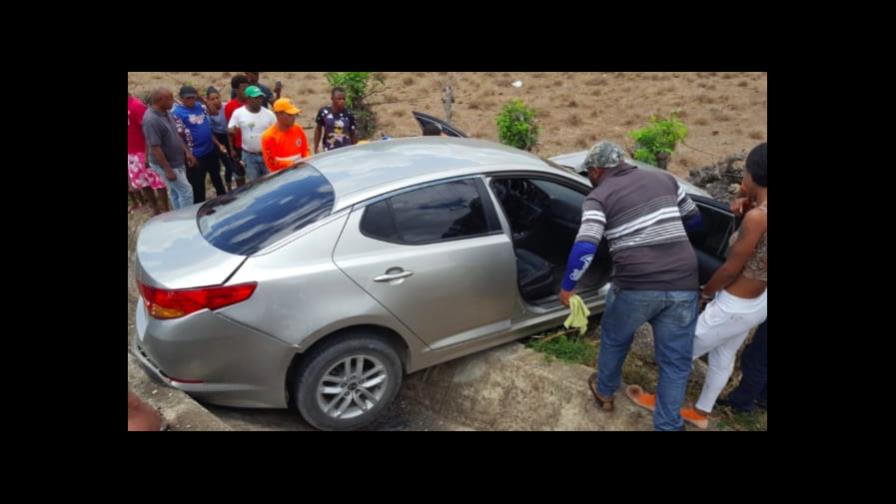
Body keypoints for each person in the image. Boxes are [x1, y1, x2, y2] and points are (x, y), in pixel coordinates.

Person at [559, 140, 703, 431]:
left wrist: (567, 286)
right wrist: (664, 235)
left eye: (589, 174)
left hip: (636, 285)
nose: (590, 179)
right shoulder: (664, 178)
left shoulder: (599, 197)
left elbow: (586, 246)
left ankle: (605, 391)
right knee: (675, 363)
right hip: (683, 282)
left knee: (615, 337)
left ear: (597, 170)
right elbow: (695, 219)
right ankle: (667, 425)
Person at [687, 142, 767, 419]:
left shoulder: (758, 217)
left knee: (679, 352)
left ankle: (663, 404)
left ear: (753, 175)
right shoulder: (758, 212)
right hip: (759, 302)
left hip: (735, 304)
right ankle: (701, 412)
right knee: (723, 355)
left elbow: (731, 268)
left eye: (745, 171)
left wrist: (705, 292)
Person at [142, 87, 196, 210]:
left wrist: (187, 152)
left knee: (175, 191)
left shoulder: (166, 112)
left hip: (176, 160)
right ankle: (187, 219)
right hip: (167, 164)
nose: (174, 102)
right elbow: (155, 148)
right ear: (161, 100)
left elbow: (175, 134)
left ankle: (178, 217)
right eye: (170, 99)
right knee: (186, 191)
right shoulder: (151, 120)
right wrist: (168, 170)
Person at [172, 85, 226, 203]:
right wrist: (188, 154)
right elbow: (178, 136)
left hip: (210, 150)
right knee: (198, 185)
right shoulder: (177, 113)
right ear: (181, 98)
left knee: (217, 178)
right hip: (195, 154)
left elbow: (215, 112)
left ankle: (223, 201)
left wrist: (204, 100)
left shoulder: (199, 106)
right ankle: (200, 208)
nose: (191, 100)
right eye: (188, 98)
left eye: (193, 97)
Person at [228, 85, 277, 181]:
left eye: (260, 97)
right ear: (248, 99)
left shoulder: (269, 114)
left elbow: (277, 133)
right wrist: (232, 148)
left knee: (272, 182)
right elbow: (230, 130)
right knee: (255, 185)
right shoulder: (238, 113)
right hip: (249, 157)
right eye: (255, 98)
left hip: (267, 155)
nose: (259, 100)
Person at [128, 92, 166, 215]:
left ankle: (166, 210)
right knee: (142, 182)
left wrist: (147, 154)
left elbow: (148, 131)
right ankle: (155, 209)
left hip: (144, 151)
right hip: (131, 154)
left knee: (157, 181)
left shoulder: (136, 105)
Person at [261, 98, 310, 174]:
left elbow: (305, 150)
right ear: (278, 114)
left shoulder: (298, 129)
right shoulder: (269, 136)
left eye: (294, 114)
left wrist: (305, 162)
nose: (294, 117)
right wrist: (291, 164)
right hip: (282, 176)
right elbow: (272, 163)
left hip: (301, 171)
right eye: (290, 115)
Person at [205, 86, 239, 192]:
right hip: (218, 138)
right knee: (227, 164)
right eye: (212, 99)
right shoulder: (207, 112)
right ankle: (229, 187)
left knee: (234, 161)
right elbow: (210, 132)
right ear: (208, 101)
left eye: (217, 98)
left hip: (230, 136)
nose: (216, 101)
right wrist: (219, 145)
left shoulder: (226, 106)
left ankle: (234, 183)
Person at [224, 75, 250, 188]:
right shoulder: (230, 106)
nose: (246, 91)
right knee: (240, 175)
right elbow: (230, 129)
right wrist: (232, 149)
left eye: (247, 87)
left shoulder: (252, 103)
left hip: (251, 145)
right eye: (243, 88)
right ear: (236, 90)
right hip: (238, 146)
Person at [314, 87, 357, 153]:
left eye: (343, 99)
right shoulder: (324, 112)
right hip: (329, 149)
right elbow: (318, 129)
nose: (342, 101)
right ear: (332, 99)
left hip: (346, 149)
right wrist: (316, 147)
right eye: (339, 99)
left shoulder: (348, 113)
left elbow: (353, 133)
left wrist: (355, 149)